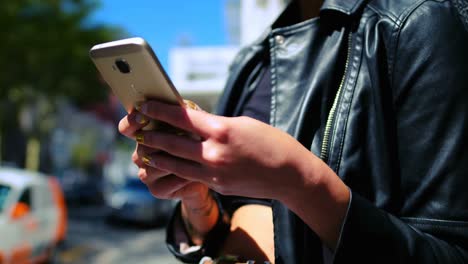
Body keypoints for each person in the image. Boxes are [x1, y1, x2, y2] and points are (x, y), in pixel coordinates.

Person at [118, 0, 468, 263]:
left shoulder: (416, 22)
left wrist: (295, 180)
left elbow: (450, 252)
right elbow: (224, 226)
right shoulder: (252, 60)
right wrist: (197, 200)